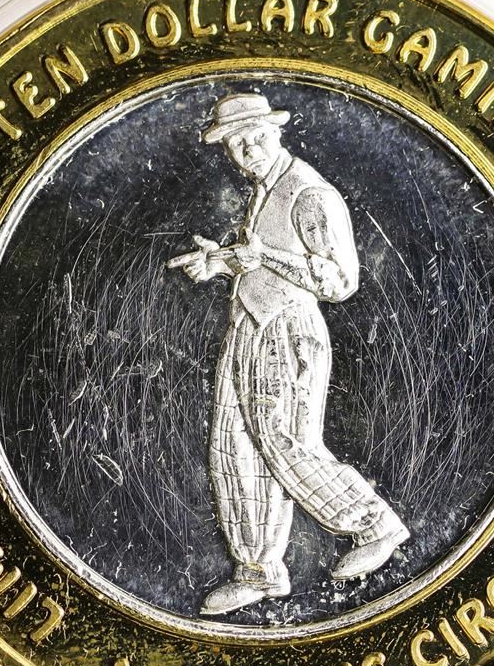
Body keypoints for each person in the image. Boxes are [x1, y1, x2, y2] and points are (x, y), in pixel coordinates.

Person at [167, 93, 409, 615]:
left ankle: (375, 524)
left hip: (290, 330)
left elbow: (339, 281)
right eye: (236, 142)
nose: (248, 148)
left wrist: (263, 257)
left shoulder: (309, 194)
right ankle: (258, 571)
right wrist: (221, 263)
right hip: (248, 326)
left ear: (276, 132)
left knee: (287, 440)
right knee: (234, 446)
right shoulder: (263, 188)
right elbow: (258, 259)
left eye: (256, 136)